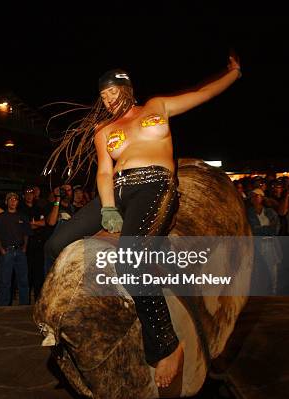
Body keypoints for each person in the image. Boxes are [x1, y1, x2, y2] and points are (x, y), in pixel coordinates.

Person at [43, 55, 242, 388]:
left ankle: (167, 345)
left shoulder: (157, 107)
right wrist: (107, 208)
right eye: (103, 97)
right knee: (54, 244)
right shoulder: (103, 129)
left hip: (155, 185)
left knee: (131, 263)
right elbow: (105, 172)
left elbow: (204, 94)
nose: (107, 101)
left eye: (112, 94)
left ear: (126, 88)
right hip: (118, 190)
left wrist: (233, 74)